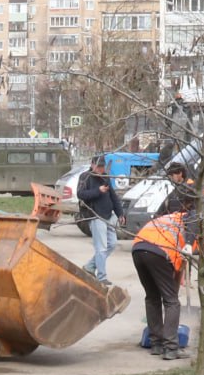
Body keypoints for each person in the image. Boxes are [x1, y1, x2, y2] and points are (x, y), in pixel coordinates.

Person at [132, 209, 197, 360]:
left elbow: (179, 263)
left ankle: (156, 344)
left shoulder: (168, 219)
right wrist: (173, 291)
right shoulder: (193, 221)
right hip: (159, 252)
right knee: (172, 302)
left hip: (138, 249)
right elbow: (181, 261)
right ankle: (171, 348)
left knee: (152, 297)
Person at [77, 154, 125, 285]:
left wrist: (120, 213)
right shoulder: (85, 177)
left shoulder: (106, 177)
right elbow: (80, 194)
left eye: (102, 167)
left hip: (108, 216)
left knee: (112, 244)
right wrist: (98, 191)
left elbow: (114, 197)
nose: (100, 169)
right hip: (95, 216)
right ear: (92, 165)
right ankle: (101, 277)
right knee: (101, 247)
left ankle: (90, 266)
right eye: (98, 167)